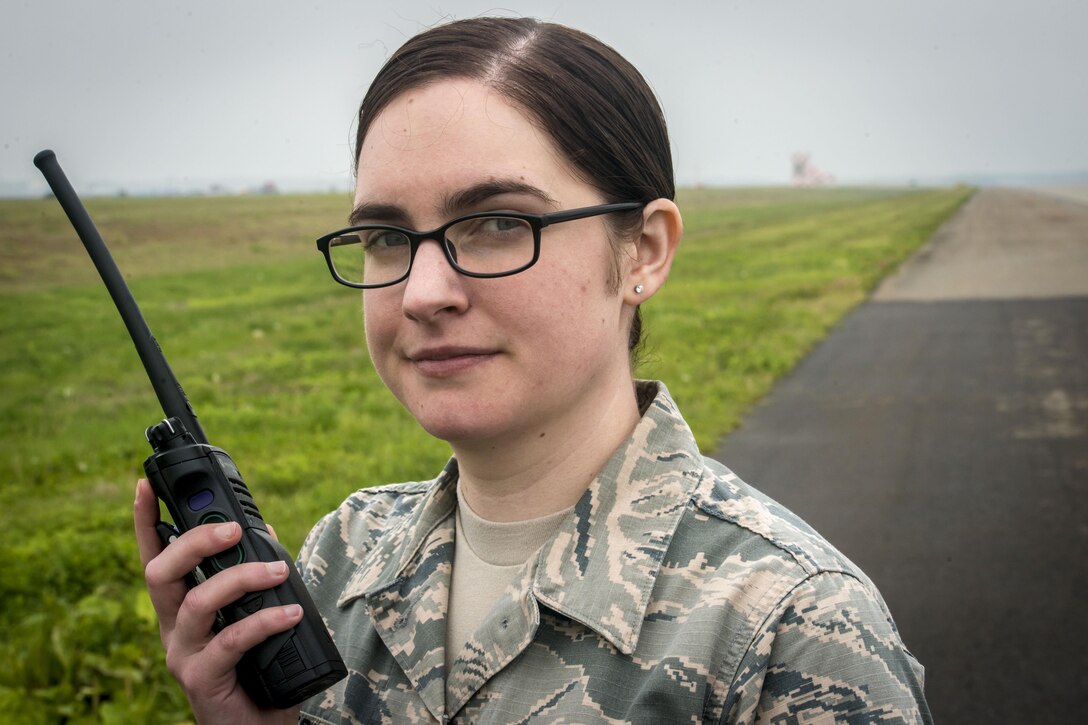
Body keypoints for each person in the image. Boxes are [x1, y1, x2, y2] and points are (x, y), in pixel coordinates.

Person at [134, 16, 932, 724]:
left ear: (643, 251)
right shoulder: (340, 557)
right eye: (385, 236)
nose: (422, 293)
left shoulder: (791, 629)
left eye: (496, 223)